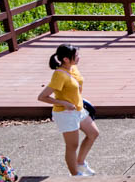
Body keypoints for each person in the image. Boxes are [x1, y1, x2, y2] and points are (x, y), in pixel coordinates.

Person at [36, 44, 99, 177]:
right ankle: (75, 175)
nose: (79, 58)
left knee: (93, 133)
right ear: (65, 59)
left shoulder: (73, 68)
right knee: (72, 146)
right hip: (65, 114)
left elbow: (76, 85)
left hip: (78, 109)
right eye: (76, 56)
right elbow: (42, 97)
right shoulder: (59, 75)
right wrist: (63, 103)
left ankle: (80, 163)